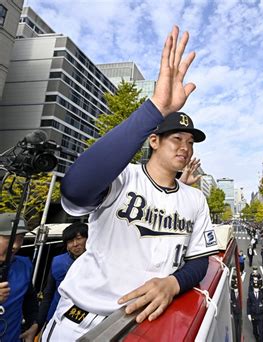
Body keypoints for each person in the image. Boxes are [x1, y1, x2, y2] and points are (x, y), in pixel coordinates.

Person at [42, 26, 219, 341]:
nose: (185, 147)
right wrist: (155, 109)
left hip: (145, 325)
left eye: (191, 142)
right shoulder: (124, 177)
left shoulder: (194, 199)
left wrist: (173, 283)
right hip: (82, 320)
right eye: (176, 138)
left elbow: (199, 260)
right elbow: (75, 189)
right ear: (153, 140)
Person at [37, 222, 88, 331]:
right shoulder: (58, 262)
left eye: (79, 239)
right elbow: (48, 295)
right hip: (56, 318)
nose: (75, 244)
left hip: (84, 321)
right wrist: (39, 324)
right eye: (70, 241)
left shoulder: (99, 262)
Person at [0, 213, 38, 341]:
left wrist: (33, 325)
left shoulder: (24, 265)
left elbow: (29, 299)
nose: (16, 245)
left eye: (20, 238)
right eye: (10, 238)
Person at [247, 278, 263, 342]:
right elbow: (248, 304)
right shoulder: (250, 294)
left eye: (257, 288)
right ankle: (257, 338)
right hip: (254, 315)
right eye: (255, 287)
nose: (256, 289)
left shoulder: (261, 293)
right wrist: (248, 314)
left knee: (261, 330)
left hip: (260, 315)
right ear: (253, 287)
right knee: (255, 329)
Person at [230, 274, 241, 342]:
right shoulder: (232, 294)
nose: (236, 290)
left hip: (240, 313)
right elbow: (231, 303)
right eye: (235, 289)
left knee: (240, 327)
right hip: (235, 313)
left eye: (237, 289)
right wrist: (231, 312)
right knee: (236, 328)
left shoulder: (240, 294)